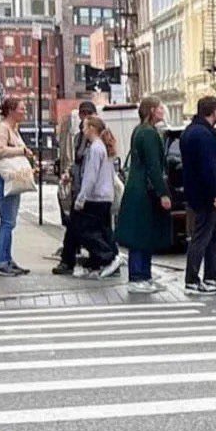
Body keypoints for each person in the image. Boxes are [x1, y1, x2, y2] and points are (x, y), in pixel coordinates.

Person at [116, 95, 173, 291]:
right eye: (160, 108)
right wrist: (163, 193)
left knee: (143, 234)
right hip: (143, 192)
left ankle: (143, 276)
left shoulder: (139, 130)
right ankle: (138, 277)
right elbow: (153, 166)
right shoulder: (149, 133)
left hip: (137, 188)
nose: (162, 111)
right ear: (151, 110)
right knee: (141, 235)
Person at [179, 95, 216, 294]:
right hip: (205, 195)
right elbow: (209, 167)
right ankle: (192, 279)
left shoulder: (190, 132)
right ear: (214, 112)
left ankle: (210, 277)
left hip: (195, 191)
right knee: (202, 236)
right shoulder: (204, 135)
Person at [0, 96, 37, 276]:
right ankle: (1, 262)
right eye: (21, 109)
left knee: (9, 222)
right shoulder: (2, 129)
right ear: (11, 111)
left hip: (9, 179)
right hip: (2, 179)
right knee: (7, 222)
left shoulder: (13, 129)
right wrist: (21, 150)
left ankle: (7, 259)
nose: (24, 112)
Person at [68, 115, 121, 277]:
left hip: (95, 197)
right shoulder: (102, 146)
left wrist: (81, 198)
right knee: (102, 230)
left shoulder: (95, 148)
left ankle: (107, 257)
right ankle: (101, 263)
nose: (83, 130)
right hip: (105, 196)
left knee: (85, 231)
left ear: (92, 128)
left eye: (84, 126)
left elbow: (90, 176)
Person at [56, 99, 98, 275]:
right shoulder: (79, 137)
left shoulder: (97, 138)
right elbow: (77, 162)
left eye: (89, 113)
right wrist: (69, 173)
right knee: (75, 225)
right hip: (80, 187)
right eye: (83, 113)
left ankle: (102, 258)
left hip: (91, 190)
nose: (86, 117)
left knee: (96, 227)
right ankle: (69, 260)